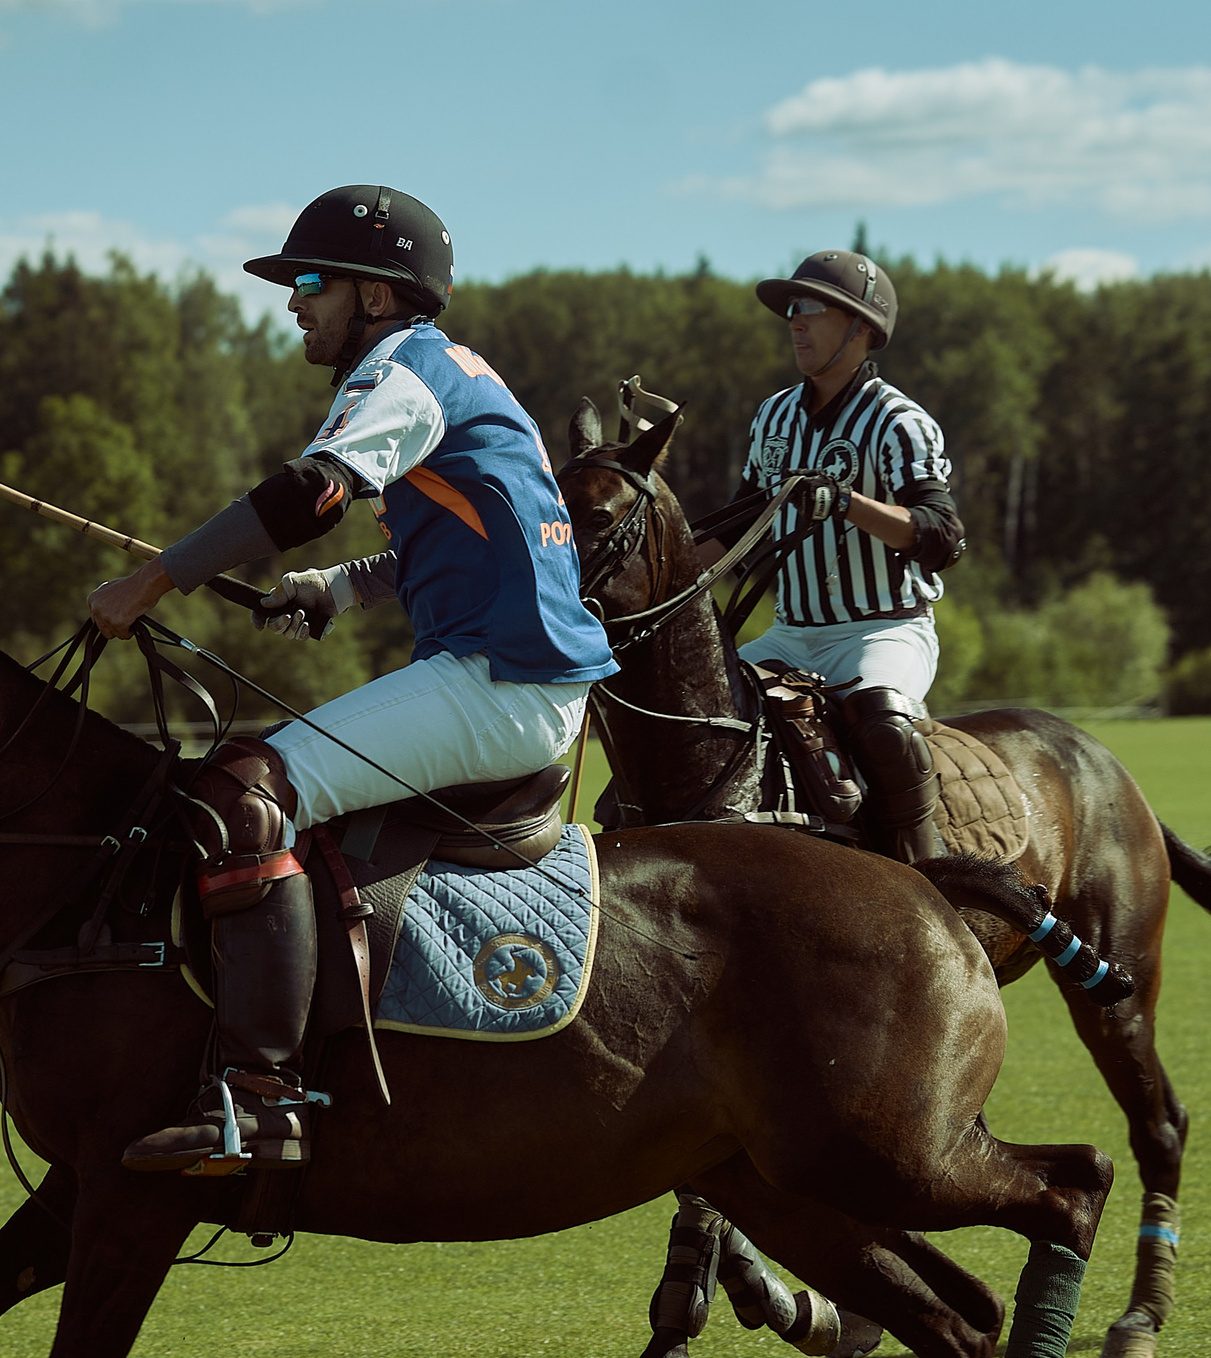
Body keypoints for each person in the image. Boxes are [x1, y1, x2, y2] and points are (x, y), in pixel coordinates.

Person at [86, 184, 615, 1174]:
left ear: (377, 295)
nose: (294, 302)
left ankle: (262, 1101)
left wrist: (153, 580)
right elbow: (458, 540)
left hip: (502, 687)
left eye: (312, 281)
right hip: (508, 681)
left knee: (244, 795)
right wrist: (337, 590)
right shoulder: (453, 373)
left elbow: (308, 492)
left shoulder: (404, 370)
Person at [699, 251, 967, 862]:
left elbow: (940, 535)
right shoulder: (773, 417)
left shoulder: (899, 421)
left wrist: (847, 502)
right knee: (699, 711)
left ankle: (931, 881)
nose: (795, 321)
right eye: (791, 309)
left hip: (884, 631)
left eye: (811, 308)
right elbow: (742, 530)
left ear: (862, 328)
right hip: (792, 636)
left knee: (884, 722)